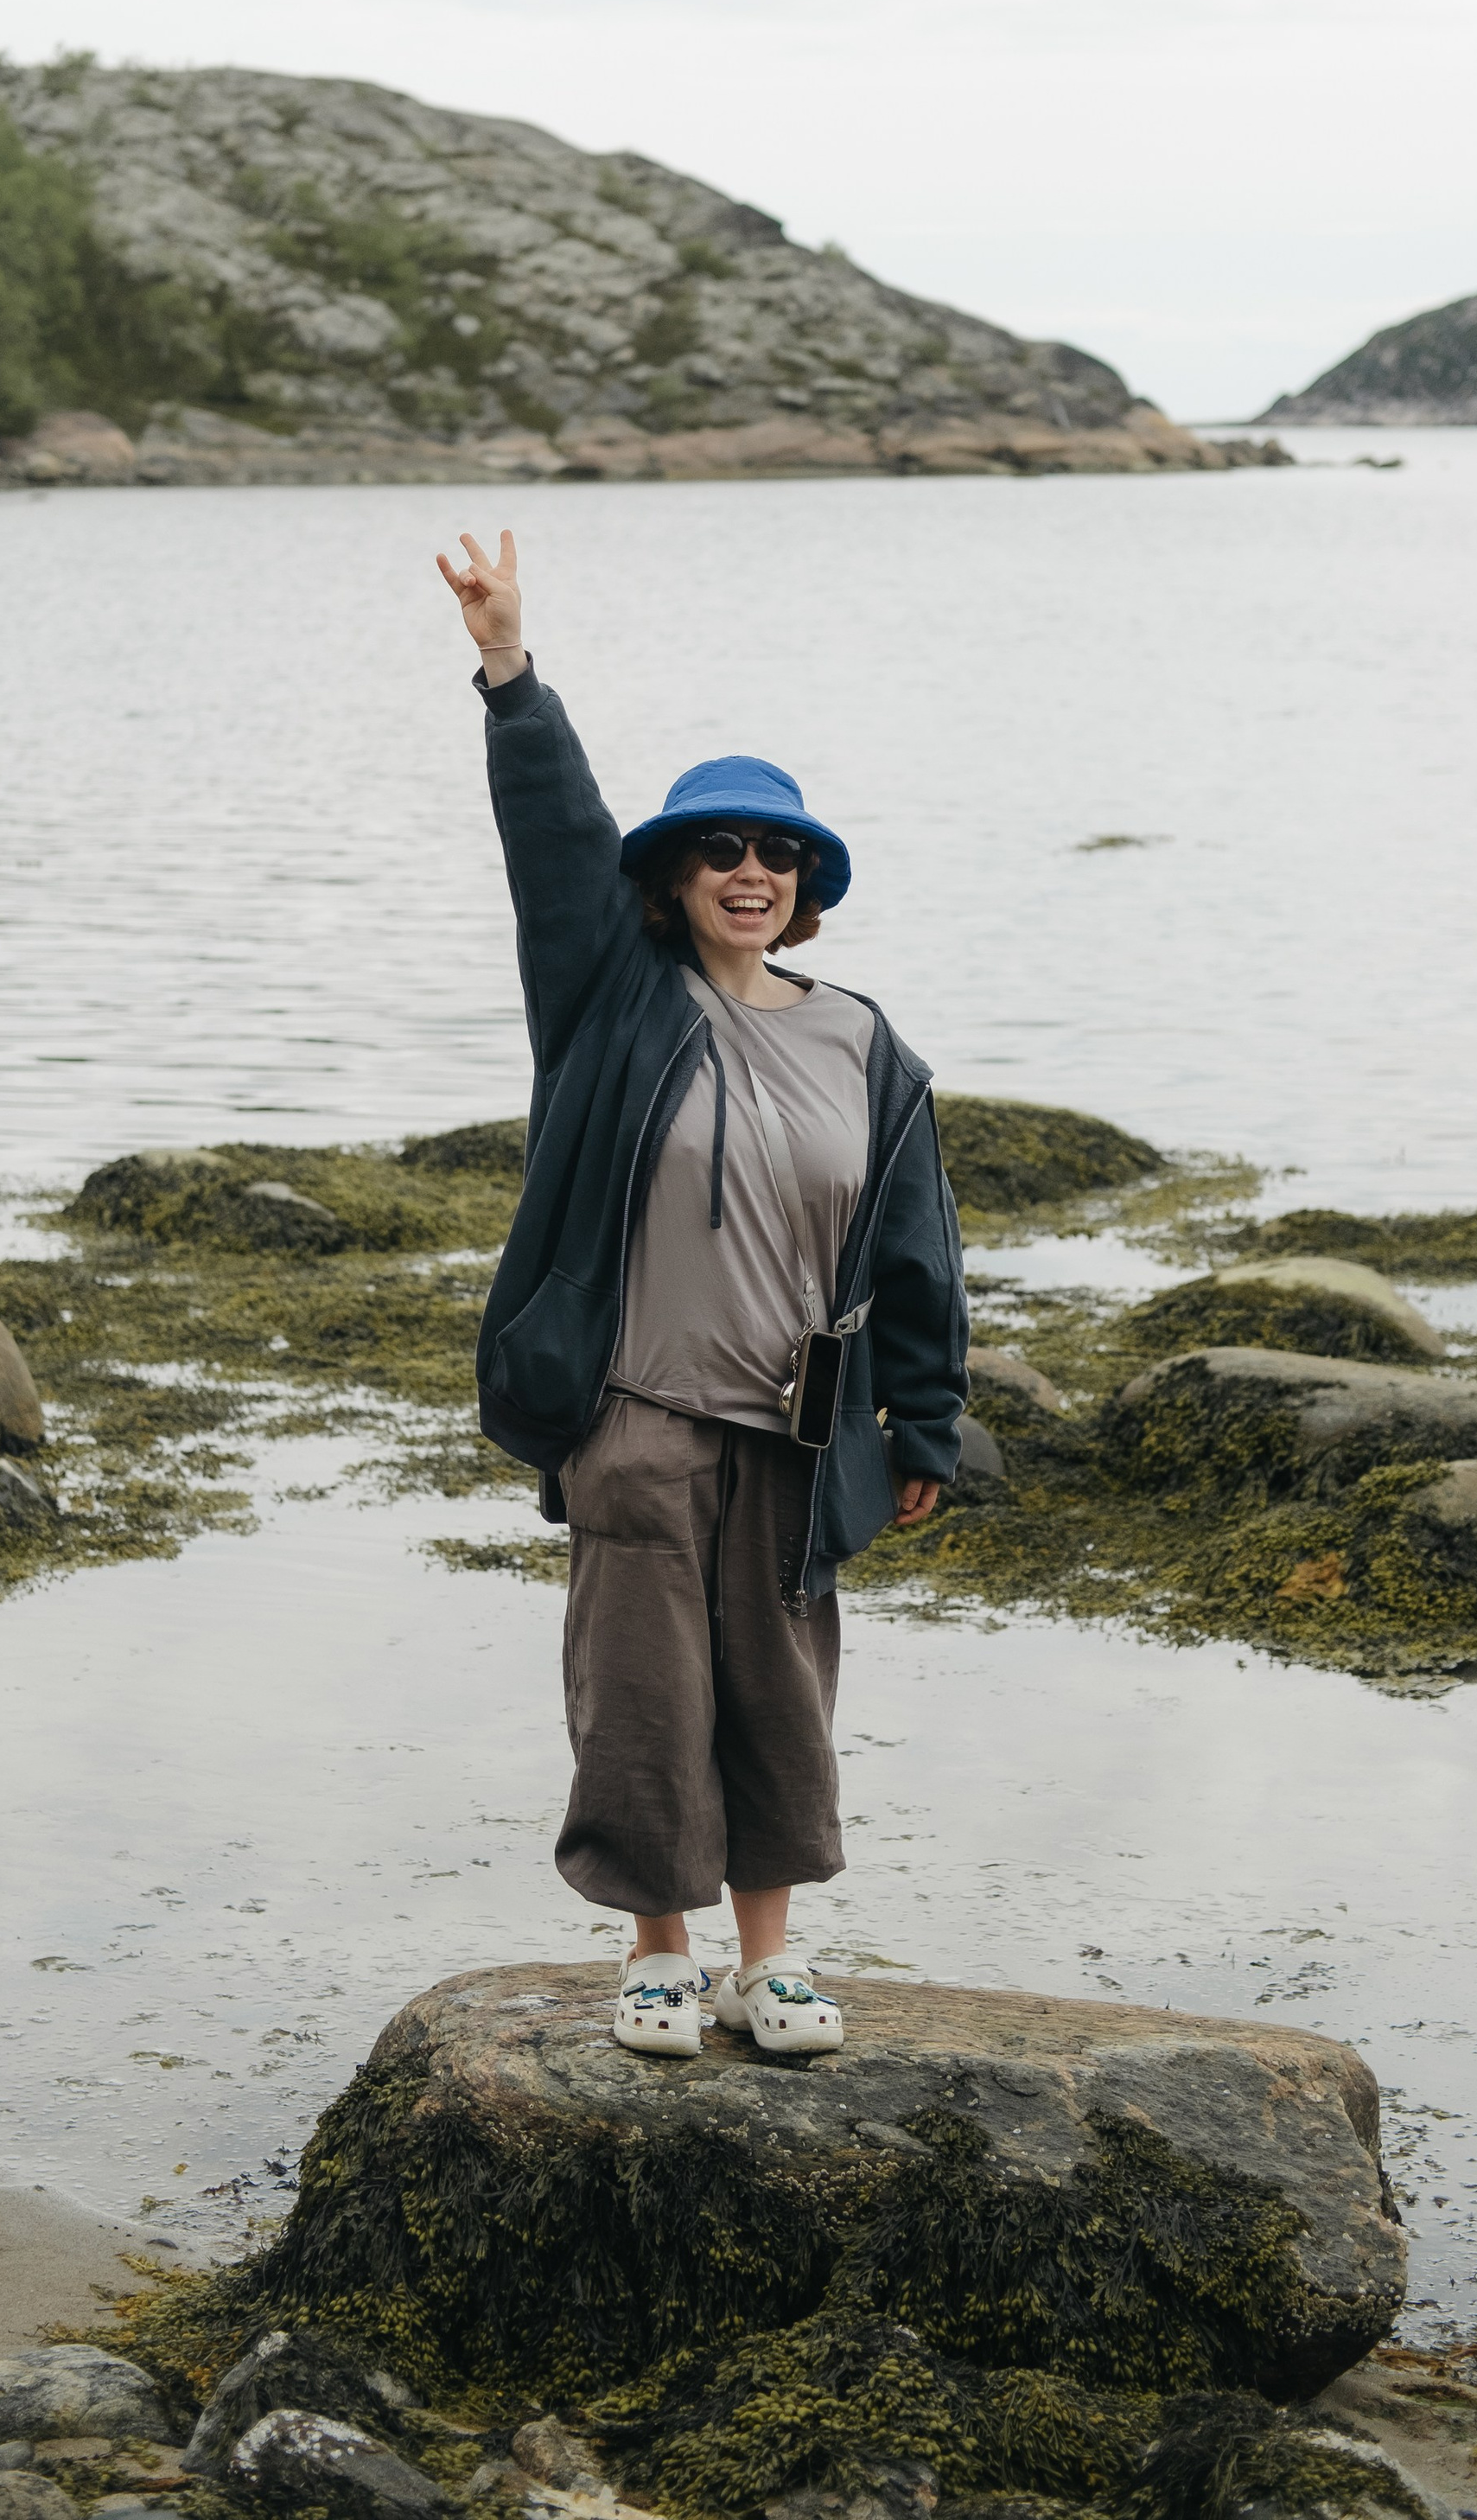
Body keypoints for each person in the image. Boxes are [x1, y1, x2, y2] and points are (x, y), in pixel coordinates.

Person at [436, 527, 967, 2060]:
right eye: (722, 851)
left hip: (797, 1439)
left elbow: (917, 1249)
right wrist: (507, 670)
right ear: (673, 879)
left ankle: (771, 1962)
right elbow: (552, 838)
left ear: (806, 889)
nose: (750, 872)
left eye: (777, 855)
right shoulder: (616, 999)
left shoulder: (867, 1046)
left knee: (782, 1704)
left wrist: (924, 1423)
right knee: (642, 1699)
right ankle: (658, 1955)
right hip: (636, 1417)